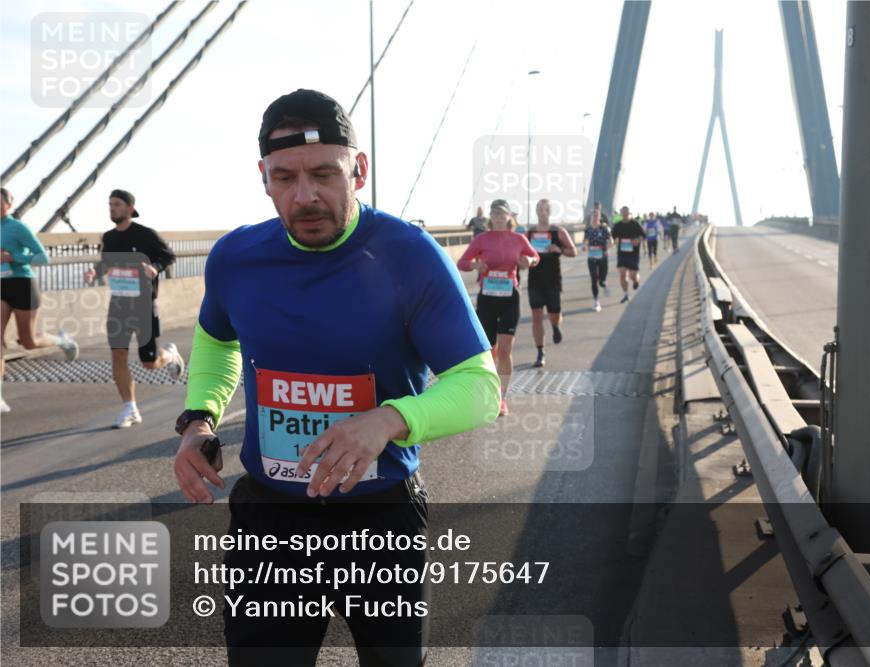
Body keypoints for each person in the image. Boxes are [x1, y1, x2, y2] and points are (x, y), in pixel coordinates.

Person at [172, 89, 500, 666]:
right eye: (286, 178)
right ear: (264, 178)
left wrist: (391, 419)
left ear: (360, 170)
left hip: (379, 522)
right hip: (270, 523)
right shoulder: (235, 258)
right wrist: (198, 418)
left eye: (326, 174)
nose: (306, 196)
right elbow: (216, 339)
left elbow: (480, 385)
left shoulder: (409, 255)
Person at [84, 189, 184, 428]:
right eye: (110, 204)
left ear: (129, 208)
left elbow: (169, 256)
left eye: (117, 204)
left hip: (143, 304)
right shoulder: (108, 237)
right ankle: (130, 408)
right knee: (118, 354)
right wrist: (94, 271)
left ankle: (169, 355)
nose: (112, 208)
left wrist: (155, 268)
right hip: (118, 303)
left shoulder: (146, 234)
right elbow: (106, 262)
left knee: (149, 363)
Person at [1, 187, 79, 413]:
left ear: (8, 205)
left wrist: (13, 257)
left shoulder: (18, 227)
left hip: (22, 284)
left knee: (29, 341)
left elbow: (43, 257)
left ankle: (64, 342)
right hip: (0, 285)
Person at [458, 199, 538, 414]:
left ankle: (502, 398)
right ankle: (488, 391)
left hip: (509, 297)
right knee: (488, 351)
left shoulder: (518, 239)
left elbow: (535, 256)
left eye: (502, 214)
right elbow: (462, 263)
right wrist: (476, 265)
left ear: (509, 217)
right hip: (488, 299)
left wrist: (528, 262)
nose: (498, 218)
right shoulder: (481, 239)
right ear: (490, 219)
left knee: (505, 349)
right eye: (494, 214)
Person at [526, 198, 577, 368]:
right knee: (537, 315)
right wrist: (525, 260)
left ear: (550, 211)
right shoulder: (530, 233)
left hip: (553, 280)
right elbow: (521, 252)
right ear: (536, 211)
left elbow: (573, 251)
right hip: (535, 280)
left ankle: (555, 326)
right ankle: (540, 352)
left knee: (554, 314)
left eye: (545, 209)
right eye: (539, 208)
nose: (542, 211)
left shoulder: (558, 231)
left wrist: (559, 249)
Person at [611, 206, 644, 303]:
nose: (625, 215)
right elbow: (613, 237)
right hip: (622, 254)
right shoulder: (617, 225)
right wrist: (614, 241)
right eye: (623, 213)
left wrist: (638, 240)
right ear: (621, 214)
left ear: (629, 213)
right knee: (622, 273)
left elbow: (643, 235)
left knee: (632, 275)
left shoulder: (635, 224)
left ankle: (636, 281)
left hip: (633, 254)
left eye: (627, 213)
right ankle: (625, 294)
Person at [583, 207, 613, 311]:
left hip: (603, 257)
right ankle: (596, 301)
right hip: (591, 257)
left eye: (597, 215)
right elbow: (586, 241)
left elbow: (611, 241)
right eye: (593, 215)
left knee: (601, 281)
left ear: (600, 217)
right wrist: (584, 246)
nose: (595, 217)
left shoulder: (604, 228)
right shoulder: (588, 229)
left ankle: (604, 284)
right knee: (593, 279)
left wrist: (608, 248)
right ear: (591, 218)